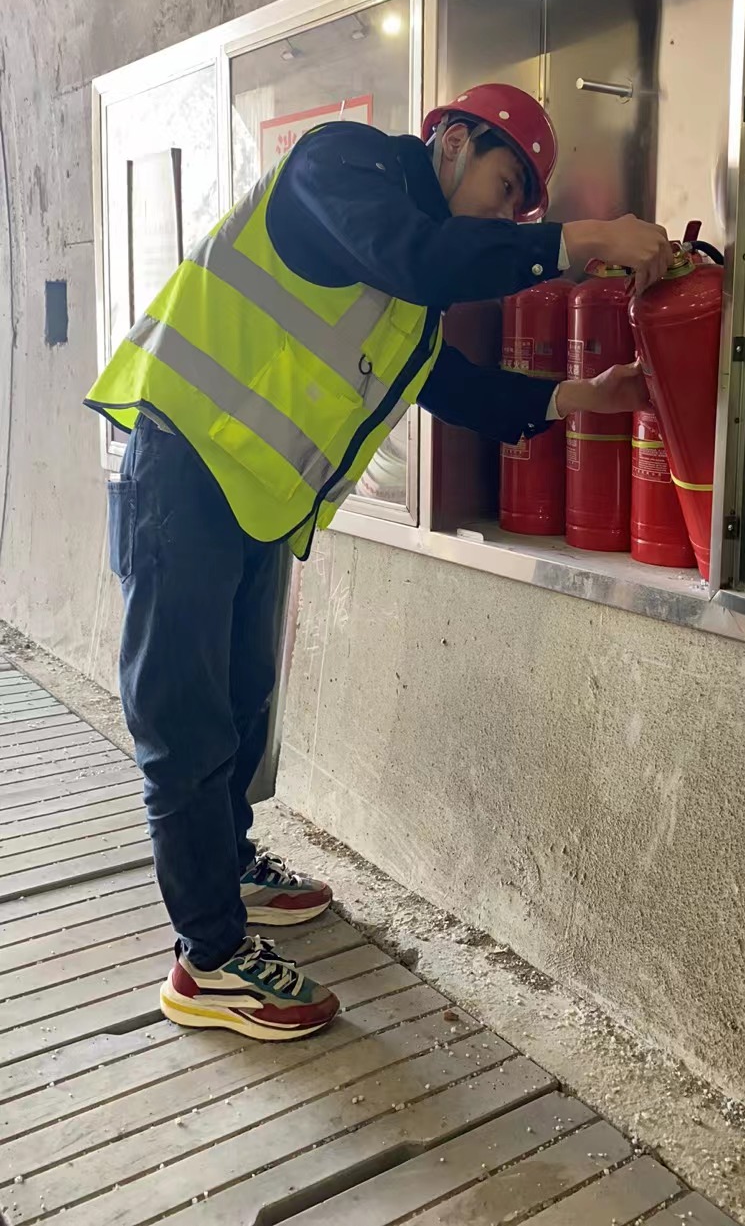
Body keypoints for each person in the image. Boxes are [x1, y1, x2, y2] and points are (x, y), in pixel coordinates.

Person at [86, 82, 672, 1043]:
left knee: (241, 700)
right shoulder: (342, 164)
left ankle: (227, 866)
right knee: (183, 723)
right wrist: (582, 239)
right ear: (452, 139)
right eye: (504, 185)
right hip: (182, 464)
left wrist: (581, 397)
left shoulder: (408, 294)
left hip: (254, 499)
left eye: (522, 205)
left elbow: (454, 385)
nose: (506, 214)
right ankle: (207, 958)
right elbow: (421, 257)